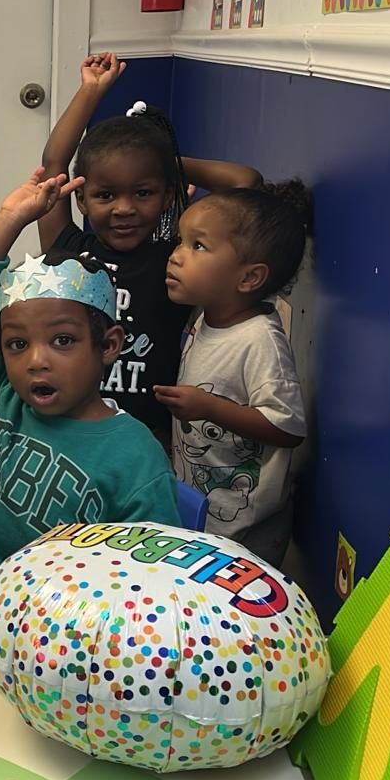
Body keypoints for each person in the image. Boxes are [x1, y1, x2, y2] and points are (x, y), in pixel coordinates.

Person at [0, 171, 180, 577]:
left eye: (62, 341)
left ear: (109, 345)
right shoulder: (6, 397)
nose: (36, 360)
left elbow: (154, 576)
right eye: (17, 345)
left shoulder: (136, 457)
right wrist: (10, 217)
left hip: (68, 628)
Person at [38, 53, 262, 446]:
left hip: (149, 437)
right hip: (71, 432)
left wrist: (166, 163)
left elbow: (245, 185)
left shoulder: (175, 260)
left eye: (143, 192)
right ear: (81, 200)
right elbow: (55, 161)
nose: (124, 209)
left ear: (165, 196)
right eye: (106, 194)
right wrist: (91, 91)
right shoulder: (70, 249)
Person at [159, 181, 311, 564]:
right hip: (205, 511)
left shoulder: (260, 340)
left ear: (248, 279)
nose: (175, 256)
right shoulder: (206, 317)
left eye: (197, 246)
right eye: (180, 241)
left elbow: (288, 427)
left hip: (248, 528)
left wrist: (209, 407)